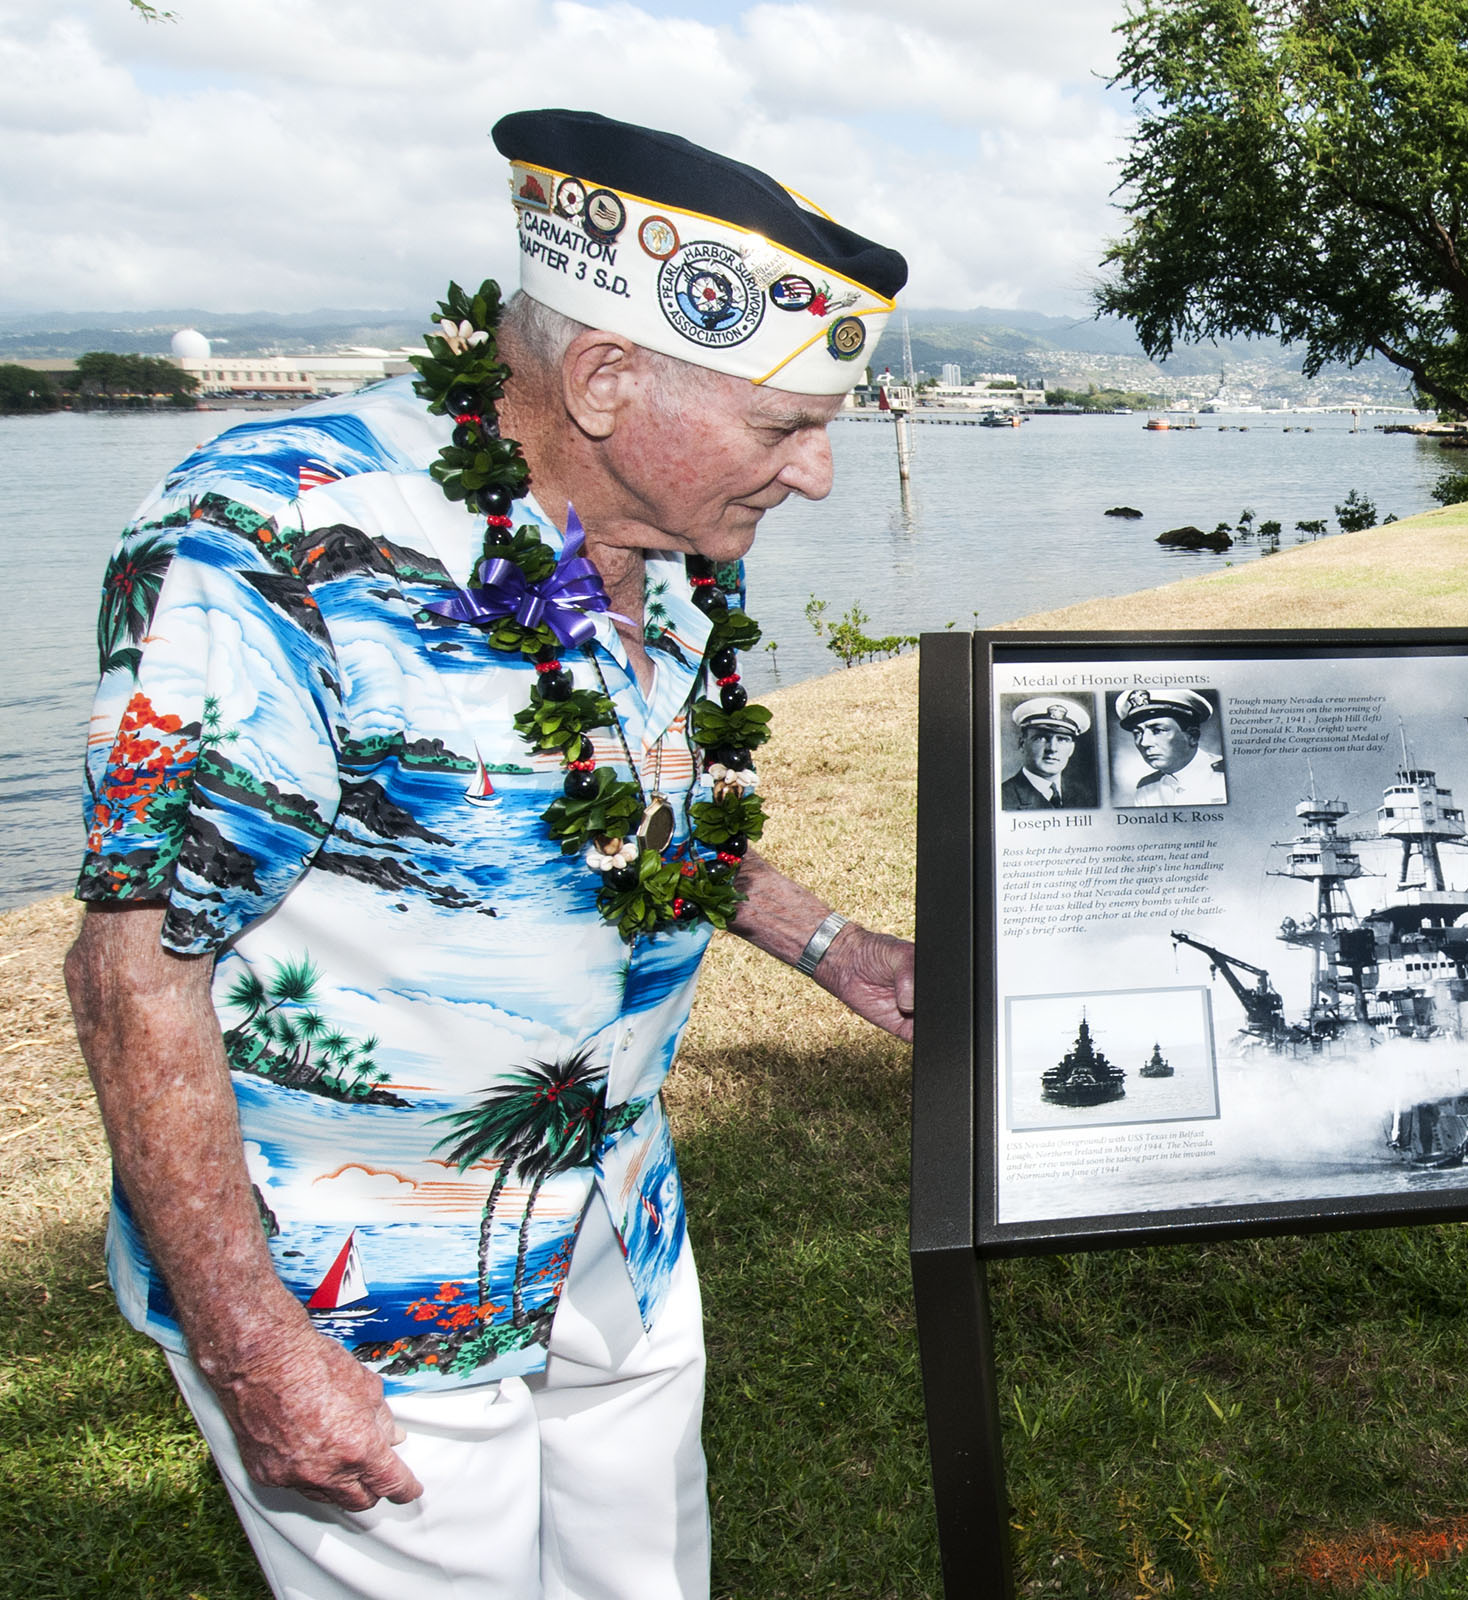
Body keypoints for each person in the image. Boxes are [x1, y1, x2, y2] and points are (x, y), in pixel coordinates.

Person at [64, 109, 914, 1599]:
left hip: (615, 1217)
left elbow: (626, 807)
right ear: (601, 378)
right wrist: (251, 1337)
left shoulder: (664, 536)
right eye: (786, 428)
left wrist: (835, 949)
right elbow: (137, 969)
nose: (821, 474)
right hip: (357, 1284)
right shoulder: (278, 532)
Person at [1118, 688, 1227, 806]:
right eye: (1137, 733)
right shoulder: (1146, 790)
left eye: (1157, 730)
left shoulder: (1226, 777)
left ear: (1192, 736)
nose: (1144, 742)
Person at [1000, 695, 1098, 809]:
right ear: (1022, 744)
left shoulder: (1085, 797)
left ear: (1071, 749)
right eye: (1041, 738)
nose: (1052, 748)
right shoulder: (1003, 799)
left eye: (1062, 739)